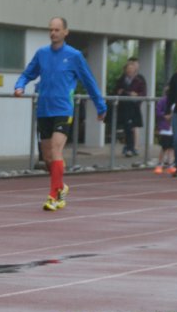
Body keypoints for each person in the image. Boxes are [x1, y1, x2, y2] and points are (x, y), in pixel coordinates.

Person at [14, 17, 107, 211]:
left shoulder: (74, 56)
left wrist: (100, 106)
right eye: (51, 30)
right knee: (48, 158)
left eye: (57, 30)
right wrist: (19, 86)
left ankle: (53, 197)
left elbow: (89, 81)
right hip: (44, 110)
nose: (53, 33)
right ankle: (61, 186)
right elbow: (27, 74)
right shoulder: (42, 54)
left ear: (65, 32)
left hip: (63, 109)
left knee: (56, 150)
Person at [114, 59, 146, 157]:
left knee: (131, 127)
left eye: (131, 69)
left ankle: (131, 148)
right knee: (126, 127)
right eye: (128, 69)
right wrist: (119, 92)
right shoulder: (121, 80)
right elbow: (116, 91)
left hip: (133, 107)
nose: (130, 71)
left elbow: (143, 93)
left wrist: (137, 95)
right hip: (123, 107)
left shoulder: (139, 81)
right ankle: (129, 147)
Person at [154, 85, 176, 175]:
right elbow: (158, 111)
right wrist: (165, 115)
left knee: (172, 147)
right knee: (165, 146)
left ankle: (170, 164)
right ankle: (160, 164)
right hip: (165, 128)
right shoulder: (163, 101)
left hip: (174, 127)